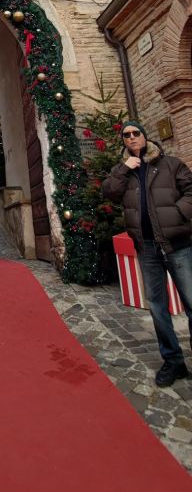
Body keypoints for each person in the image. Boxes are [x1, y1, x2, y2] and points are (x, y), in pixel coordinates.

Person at [102, 120, 192, 388]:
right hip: (147, 248)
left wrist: (177, 214)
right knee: (157, 307)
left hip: (178, 245)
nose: (131, 138)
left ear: (144, 136)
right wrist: (123, 168)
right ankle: (173, 361)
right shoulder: (124, 171)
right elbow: (109, 192)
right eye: (126, 136)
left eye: (135, 133)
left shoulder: (170, 164)